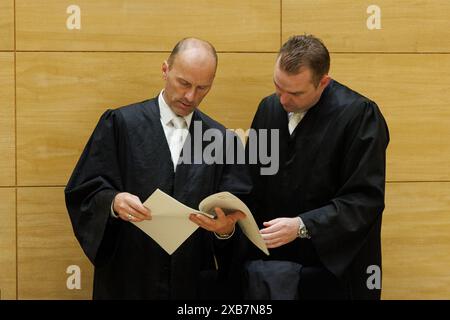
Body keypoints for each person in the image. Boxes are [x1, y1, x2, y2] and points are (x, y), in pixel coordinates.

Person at [64, 38, 251, 299]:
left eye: (202, 88)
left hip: (192, 279)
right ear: (165, 70)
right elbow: (84, 189)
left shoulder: (222, 140)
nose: (190, 96)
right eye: (184, 83)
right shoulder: (120, 124)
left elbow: (238, 212)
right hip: (129, 274)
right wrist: (113, 201)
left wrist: (225, 230)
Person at [243, 34, 389, 299]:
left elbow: (364, 200)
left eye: (295, 93)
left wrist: (302, 225)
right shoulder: (268, 108)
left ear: (323, 82)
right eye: (278, 86)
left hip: (333, 269)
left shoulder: (360, 116)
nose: (283, 100)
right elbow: (252, 180)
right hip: (275, 269)